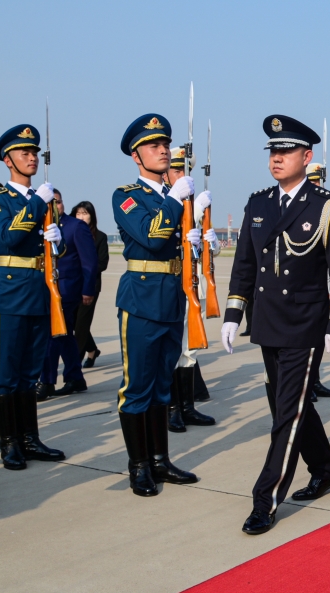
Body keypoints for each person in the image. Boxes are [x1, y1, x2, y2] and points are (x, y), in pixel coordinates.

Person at [220, 115, 330, 535]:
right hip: (266, 322)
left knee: (286, 414)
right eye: (272, 152)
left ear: (307, 157)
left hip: (305, 322)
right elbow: (245, 263)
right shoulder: (259, 203)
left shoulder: (328, 205)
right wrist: (232, 314)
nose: (276, 158)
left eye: (285, 151)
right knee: (288, 405)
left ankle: (266, 499)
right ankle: (327, 469)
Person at [112, 113, 200, 497]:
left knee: (162, 387)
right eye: (153, 145)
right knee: (137, 388)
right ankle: (138, 465)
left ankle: (160, 460)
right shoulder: (127, 196)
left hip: (171, 297)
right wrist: (177, 200)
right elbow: (151, 236)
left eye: (165, 144)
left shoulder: (173, 197)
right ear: (136, 156)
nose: (163, 150)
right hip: (142, 297)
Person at [0, 124, 66, 471]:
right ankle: (9, 442)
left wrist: (57, 240)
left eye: (34, 152)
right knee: (7, 373)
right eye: (23, 153)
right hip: (11, 291)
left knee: (30, 372)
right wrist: (36, 205)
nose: (31, 157)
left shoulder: (44, 200)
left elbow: (47, 248)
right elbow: (10, 236)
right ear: (7, 160)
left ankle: (30, 438)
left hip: (39, 290)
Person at [162, 146, 216, 431]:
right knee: (173, 349)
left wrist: (211, 241)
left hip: (194, 284)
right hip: (171, 284)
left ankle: (187, 406)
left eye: (186, 171)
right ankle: (172, 409)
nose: (182, 176)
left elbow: (208, 250)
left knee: (189, 350)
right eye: (176, 170)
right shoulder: (162, 200)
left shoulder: (195, 202)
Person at [37, 188, 97, 399]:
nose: (55, 206)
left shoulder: (75, 226)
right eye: (49, 202)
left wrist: (88, 289)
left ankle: (46, 381)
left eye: (58, 202)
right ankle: (75, 377)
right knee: (65, 335)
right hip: (43, 289)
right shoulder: (37, 225)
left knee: (52, 335)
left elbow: (89, 262)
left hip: (66, 289)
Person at [304, 162, 330, 403]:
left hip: (320, 287)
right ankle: (307, 384)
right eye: (312, 180)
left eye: (318, 181)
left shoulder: (325, 208)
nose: (316, 185)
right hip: (303, 289)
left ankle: (314, 380)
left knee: (317, 338)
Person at [71, 201, 109, 368]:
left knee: (81, 325)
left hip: (91, 286)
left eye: (85, 213)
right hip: (71, 285)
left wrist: (85, 268)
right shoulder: (70, 233)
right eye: (78, 213)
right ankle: (92, 349)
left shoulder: (100, 237)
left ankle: (74, 363)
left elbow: (102, 263)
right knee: (74, 322)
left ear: (92, 216)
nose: (81, 217)